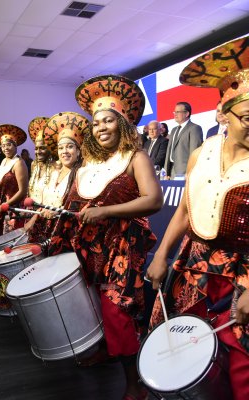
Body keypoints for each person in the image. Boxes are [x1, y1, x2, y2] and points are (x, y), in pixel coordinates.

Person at [147, 35, 249, 400]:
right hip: (194, 267)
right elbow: (186, 209)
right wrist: (162, 255)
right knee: (187, 353)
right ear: (224, 112)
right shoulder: (201, 153)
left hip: (243, 274)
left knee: (242, 367)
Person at [49, 75, 163, 400]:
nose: (100, 127)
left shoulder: (135, 157)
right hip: (89, 247)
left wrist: (105, 212)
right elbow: (74, 203)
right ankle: (104, 351)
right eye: (96, 122)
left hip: (123, 246)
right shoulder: (88, 164)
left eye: (108, 120)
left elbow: (153, 200)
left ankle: (133, 384)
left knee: (117, 310)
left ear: (123, 124)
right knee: (94, 306)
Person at [25, 112, 88, 244]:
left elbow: (84, 209)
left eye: (70, 147)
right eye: (61, 148)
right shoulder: (54, 173)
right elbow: (45, 205)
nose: (64, 151)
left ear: (78, 150)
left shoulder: (82, 174)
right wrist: (34, 218)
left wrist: (57, 212)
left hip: (67, 237)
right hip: (45, 232)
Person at [0, 124, 29, 234]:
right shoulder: (4, 161)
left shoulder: (19, 163)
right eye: (3, 146)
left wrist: (4, 205)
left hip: (12, 212)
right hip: (0, 209)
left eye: (9, 145)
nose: (5, 148)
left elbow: (23, 191)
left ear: (15, 145)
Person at [164, 101, 203, 179]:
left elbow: (194, 153)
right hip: (171, 172)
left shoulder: (194, 128)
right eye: (174, 112)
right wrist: (166, 172)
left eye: (178, 112)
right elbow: (169, 152)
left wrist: (189, 172)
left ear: (187, 114)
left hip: (185, 172)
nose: (175, 114)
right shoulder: (174, 130)